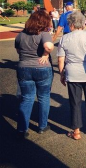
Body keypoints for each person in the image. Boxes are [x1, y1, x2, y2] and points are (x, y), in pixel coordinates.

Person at [57, 11, 86, 140]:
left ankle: (76, 132)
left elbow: (60, 59)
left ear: (71, 24)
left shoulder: (65, 38)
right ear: (83, 23)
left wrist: (62, 74)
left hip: (73, 72)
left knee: (75, 102)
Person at [14, 10, 54, 138]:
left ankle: (22, 129)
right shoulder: (44, 34)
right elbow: (48, 47)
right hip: (42, 67)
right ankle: (42, 126)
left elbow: (18, 50)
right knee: (43, 97)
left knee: (26, 98)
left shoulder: (20, 35)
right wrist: (45, 54)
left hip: (24, 67)